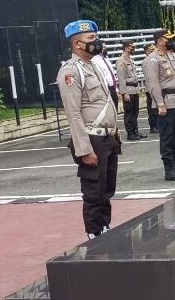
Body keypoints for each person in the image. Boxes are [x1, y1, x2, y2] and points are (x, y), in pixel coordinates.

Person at [56, 20, 122, 240]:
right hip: (91, 140)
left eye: (95, 37)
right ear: (77, 44)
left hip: (107, 138)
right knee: (94, 190)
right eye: (91, 39)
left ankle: (105, 227)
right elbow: (73, 114)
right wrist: (84, 149)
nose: (97, 42)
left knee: (107, 188)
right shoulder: (71, 71)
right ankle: (94, 234)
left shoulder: (93, 66)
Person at [144, 29, 175, 181]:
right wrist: (159, 103)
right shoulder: (152, 59)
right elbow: (153, 84)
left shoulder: (172, 55)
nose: (172, 41)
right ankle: (169, 169)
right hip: (165, 102)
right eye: (168, 39)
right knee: (167, 136)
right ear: (160, 41)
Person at [116, 40, 147, 141]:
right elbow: (121, 78)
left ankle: (135, 131)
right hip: (128, 89)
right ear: (126, 47)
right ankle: (130, 133)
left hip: (134, 88)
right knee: (129, 112)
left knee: (135, 111)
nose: (133, 49)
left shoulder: (130, 59)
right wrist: (124, 93)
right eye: (131, 47)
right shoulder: (121, 61)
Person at [91, 44, 119, 111]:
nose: (105, 49)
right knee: (108, 111)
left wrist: (116, 89)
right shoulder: (94, 61)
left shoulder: (106, 60)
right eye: (104, 47)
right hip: (106, 89)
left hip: (113, 89)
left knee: (115, 110)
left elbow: (112, 75)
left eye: (106, 47)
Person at [142, 44, 160, 134]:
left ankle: (156, 125)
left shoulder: (153, 59)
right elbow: (149, 77)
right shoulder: (146, 61)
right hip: (150, 88)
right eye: (151, 50)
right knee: (152, 109)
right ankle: (153, 126)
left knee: (156, 108)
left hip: (154, 87)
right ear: (147, 51)